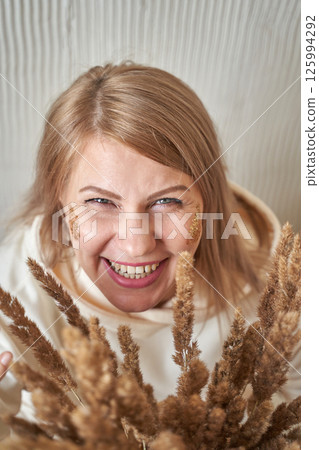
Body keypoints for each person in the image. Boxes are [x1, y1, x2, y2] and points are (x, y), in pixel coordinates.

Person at [0, 62, 299, 439]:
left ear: (208, 201)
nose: (136, 244)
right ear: (58, 200)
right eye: (100, 202)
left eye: (168, 202)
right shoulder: (15, 285)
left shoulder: (281, 291)